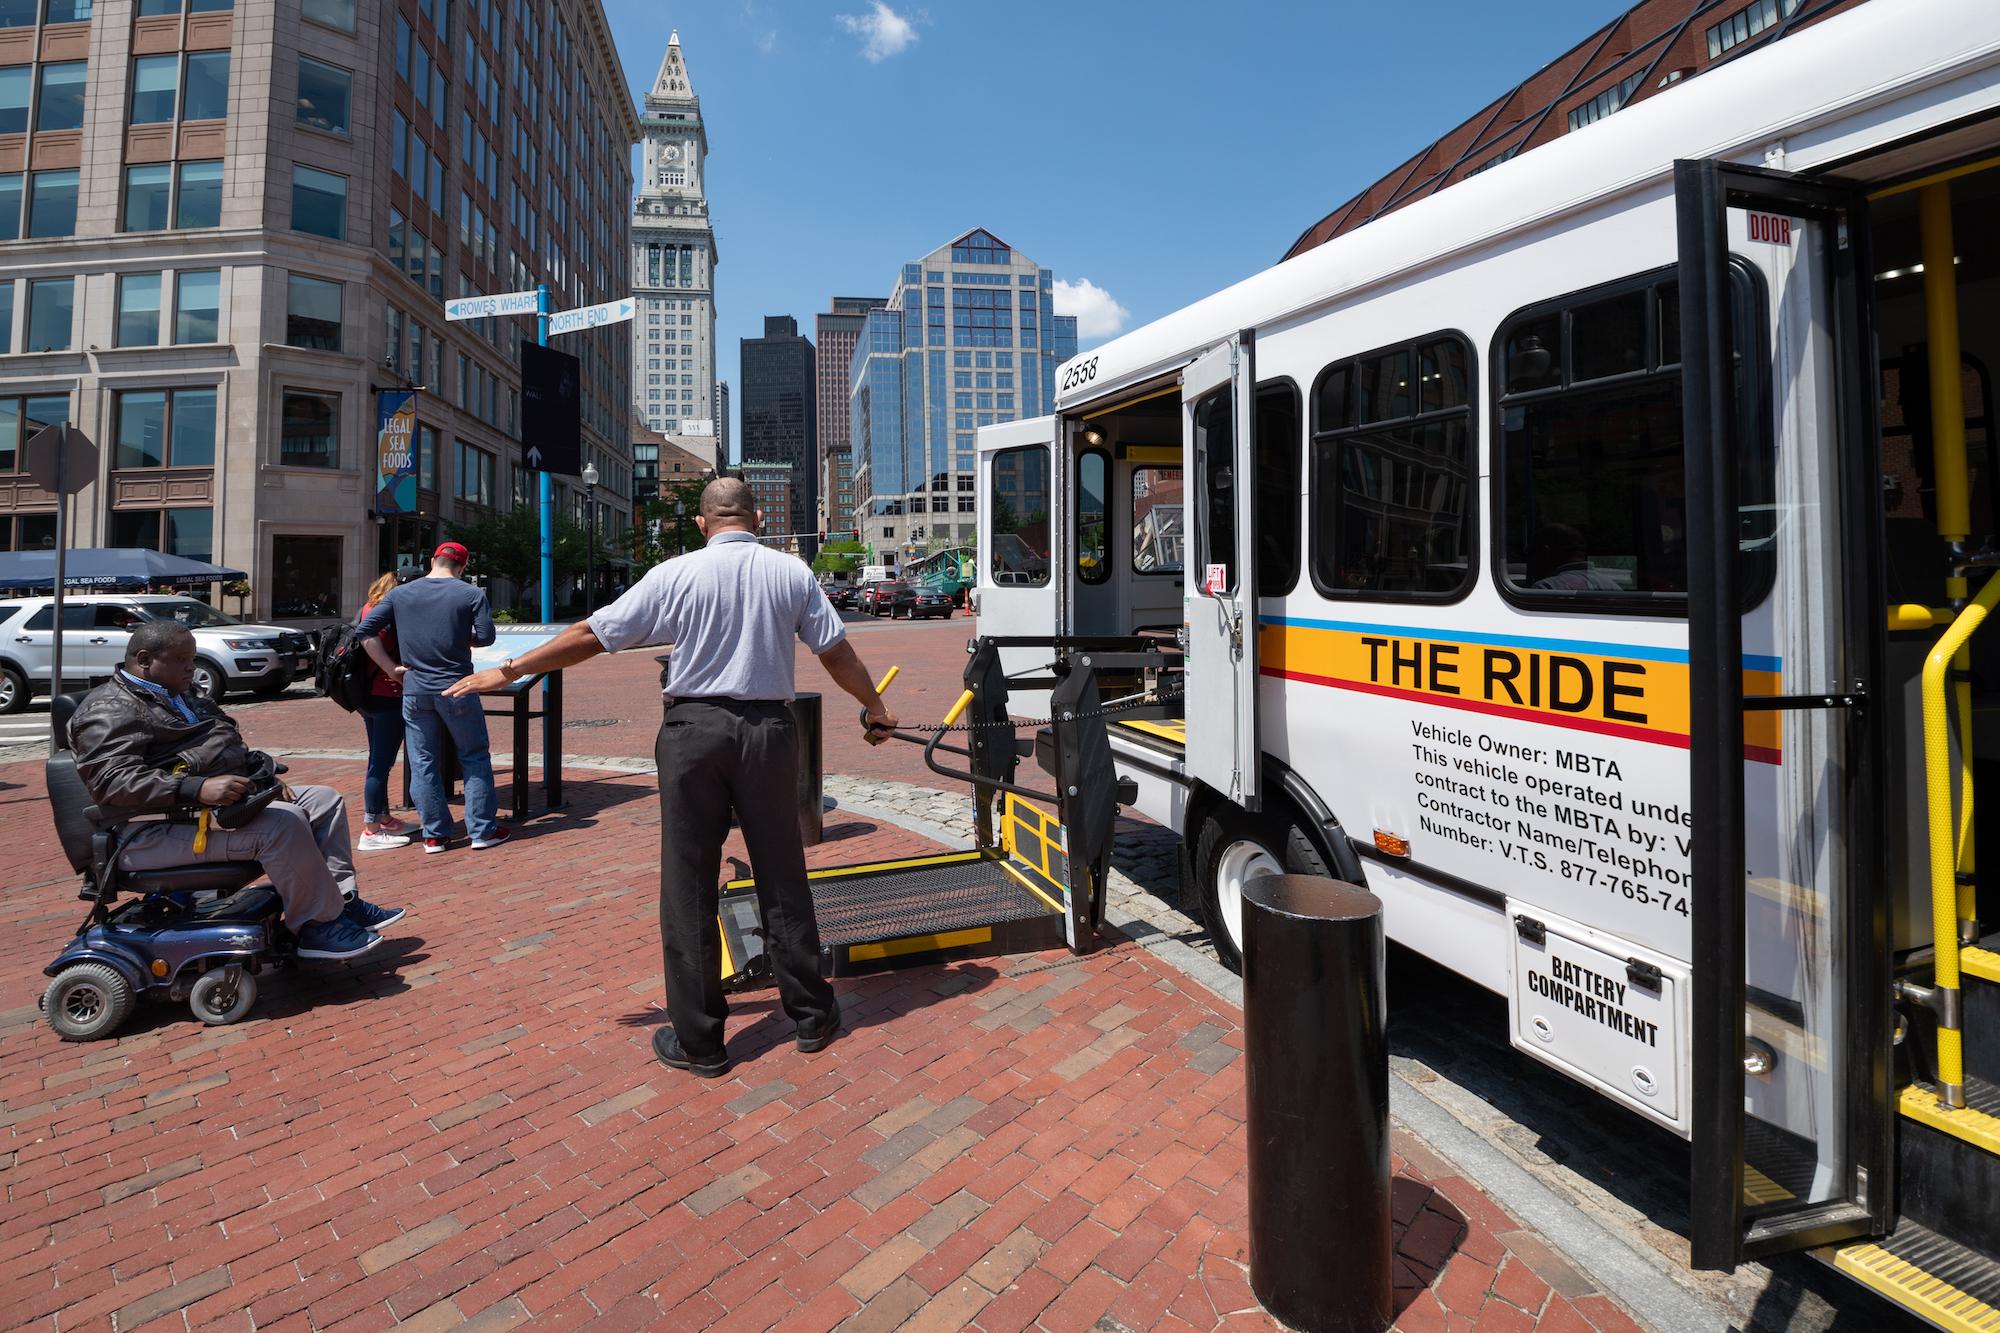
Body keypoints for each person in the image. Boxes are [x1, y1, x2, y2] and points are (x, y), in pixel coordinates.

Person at [446, 477, 898, 1078]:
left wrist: (506, 671)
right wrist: (875, 707)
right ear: (757, 517)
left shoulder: (675, 573)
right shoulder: (792, 573)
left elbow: (591, 636)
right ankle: (813, 1015)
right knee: (782, 872)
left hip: (693, 731)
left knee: (687, 882)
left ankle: (701, 1042)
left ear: (703, 522)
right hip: (768, 731)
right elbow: (835, 652)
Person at [68, 622, 402, 959]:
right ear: (143, 660)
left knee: (321, 800)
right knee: (283, 824)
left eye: (193, 658)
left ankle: (341, 903)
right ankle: (318, 925)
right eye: (182, 659)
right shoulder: (109, 709)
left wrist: (262, 777)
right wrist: (196, 788)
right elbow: (111, 782)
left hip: (204, 813)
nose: (191, 667)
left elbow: (225, 743)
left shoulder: (179, 692)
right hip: (149, 829)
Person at [356, 542, 506, 854]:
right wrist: (459, 634)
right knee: (474, 756)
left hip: (414, 688)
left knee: (423, 761)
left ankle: (435, 835)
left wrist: (391, 668)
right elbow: (486, 636)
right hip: (457, 686)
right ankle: (482, 831)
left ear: (433, 560)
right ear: (462, 566)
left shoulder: (400, 593)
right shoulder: (470, 594)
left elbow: (365, 630)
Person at [355, 572, 414, 852]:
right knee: (381, 763)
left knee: (377, 759)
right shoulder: (387, 613)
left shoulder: (370, 605)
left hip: (366, 695)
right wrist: (392, 668)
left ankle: (383, 818)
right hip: (386, 694)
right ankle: (371, 830)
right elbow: (368, 639)